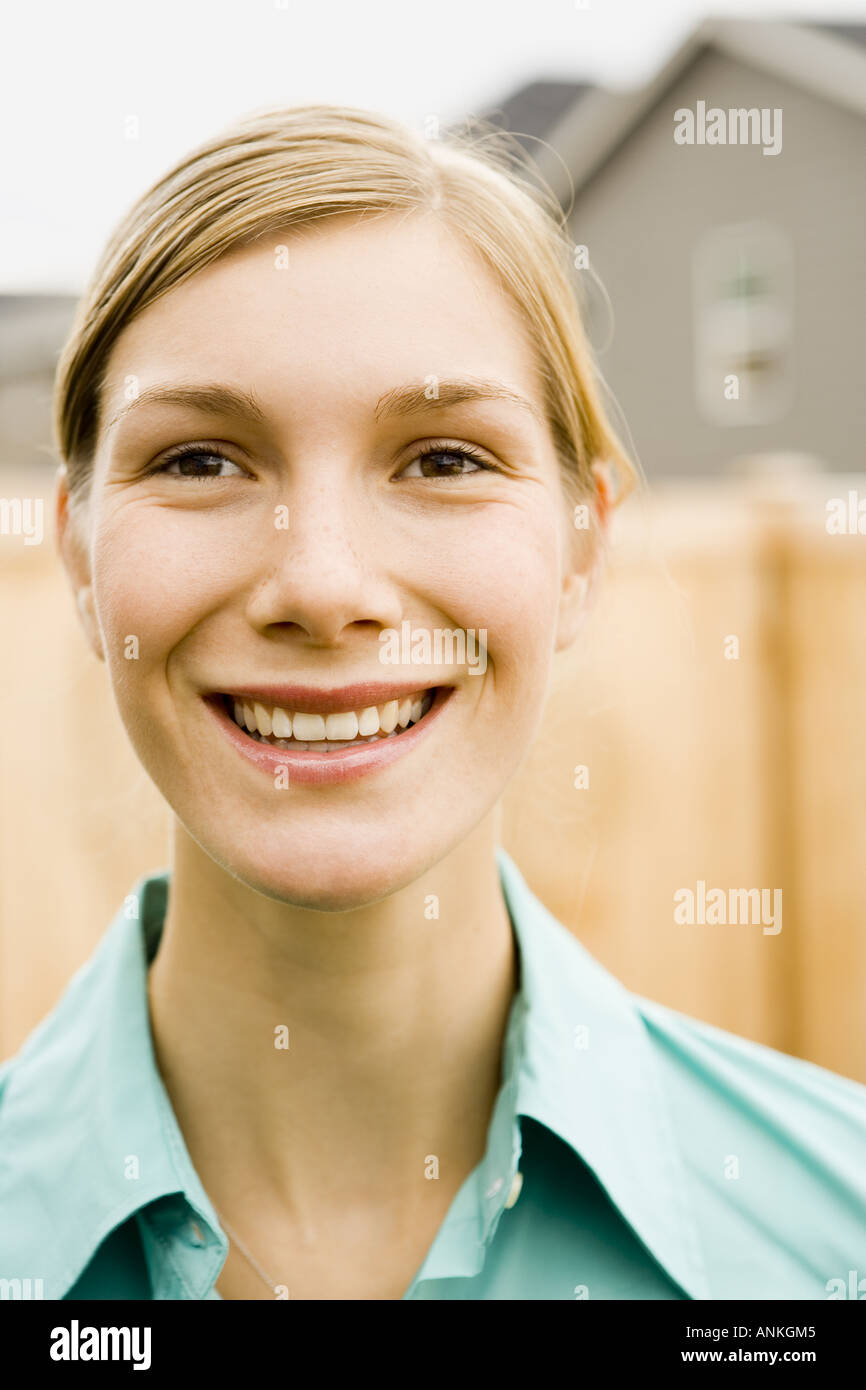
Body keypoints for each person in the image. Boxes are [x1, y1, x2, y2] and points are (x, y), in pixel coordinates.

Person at [1, 105, 864, 1302]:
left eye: (443, 459)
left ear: (579, 550)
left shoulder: (835, 1242)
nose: (321, 584)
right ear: (83, 560)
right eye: (201, 460)